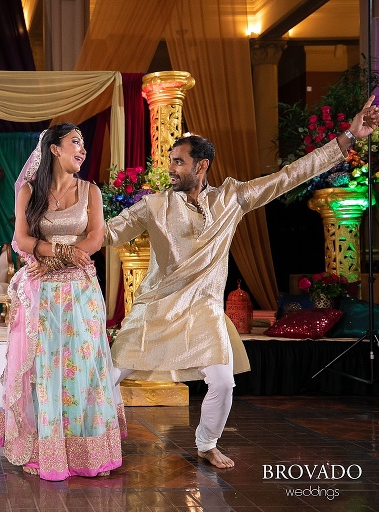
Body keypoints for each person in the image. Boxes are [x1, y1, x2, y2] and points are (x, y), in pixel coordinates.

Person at [106, 96, 379, 469]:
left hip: (203, 310)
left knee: (222, 382)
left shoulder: (231, 199)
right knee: (108, 377)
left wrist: (348, 137)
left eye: (178, 161)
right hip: (155, 308)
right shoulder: (153, 205)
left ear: (201, 165)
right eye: (170, 161)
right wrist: (57, 239)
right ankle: (99, 439)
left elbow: (287, 177)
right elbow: (110, 231)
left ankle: (207, 444)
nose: (170, 168)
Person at [0, 122, 127, 481]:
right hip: (41, 292)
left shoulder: (90, 190)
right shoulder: (29, 191)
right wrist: (58, 253)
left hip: (80, 292)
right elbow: (21, 238)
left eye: (83, 144)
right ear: (54, 148)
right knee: (46, 369)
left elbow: (95, 237)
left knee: (83, 368)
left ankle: (88, 452)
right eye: (75, 142)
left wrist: (62, 256)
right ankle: (45, 451)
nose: (82, 150)